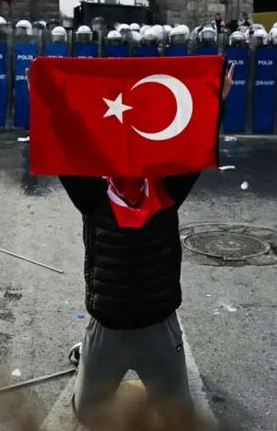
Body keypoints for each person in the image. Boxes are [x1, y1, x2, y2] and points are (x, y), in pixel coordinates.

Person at [58, 64, 234, 429]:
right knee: (87, 413)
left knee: (176, 417)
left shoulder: (166, 193)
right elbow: (63, 151)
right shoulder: (93, 197)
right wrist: (44, 99)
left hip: (158, 326)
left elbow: (197, 145)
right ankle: (88, 356)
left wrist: (217, 101)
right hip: (107, 328)